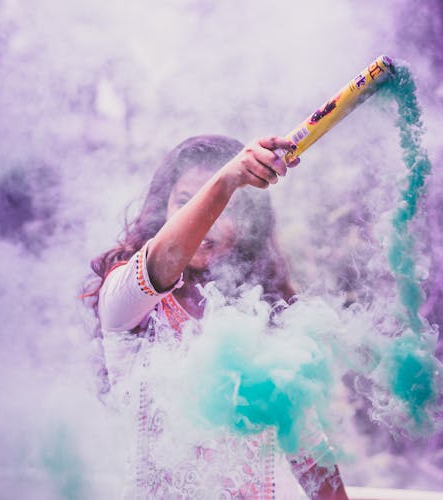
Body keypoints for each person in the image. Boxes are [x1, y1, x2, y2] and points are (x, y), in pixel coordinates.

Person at [83, 134, 349, 499]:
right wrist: (227, 181)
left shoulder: (263, 311)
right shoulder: (127, 297)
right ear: (164, 208)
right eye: (185, 201)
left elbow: (307, 446)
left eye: (229, 208)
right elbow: (161, 263)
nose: (209, 223)